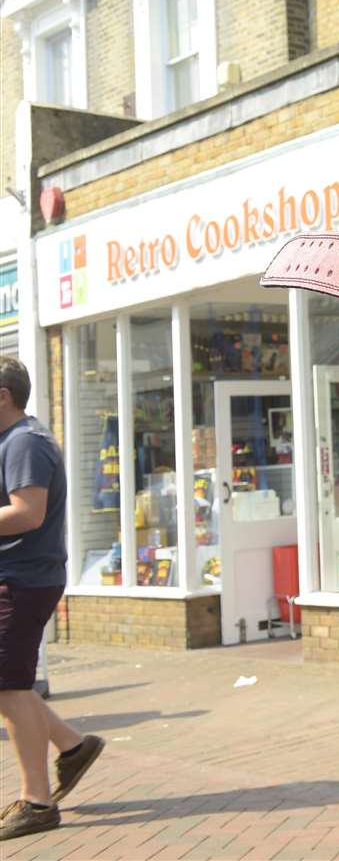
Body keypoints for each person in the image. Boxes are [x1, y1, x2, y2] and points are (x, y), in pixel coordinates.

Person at [0, 357, 103, 842]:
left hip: (22, 579)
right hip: (19, 577)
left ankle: (37, 802)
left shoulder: (24, 441)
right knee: (9, 683)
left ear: (3, 395)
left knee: (10, 687)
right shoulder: (16, 440)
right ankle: (73, 746)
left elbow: (27, 513)